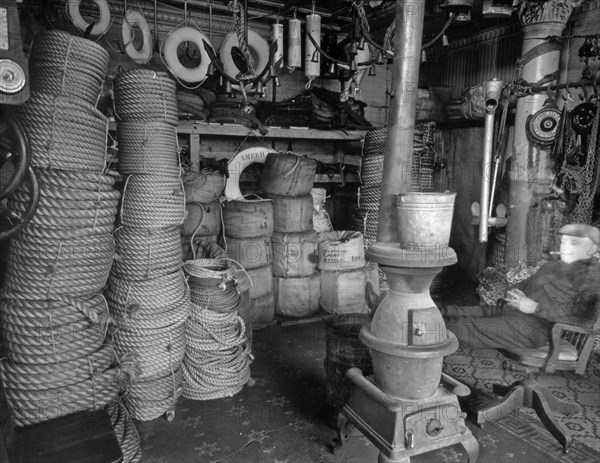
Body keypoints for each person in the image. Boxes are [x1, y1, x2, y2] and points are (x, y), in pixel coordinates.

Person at [443, 223, 600, 350]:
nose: (565, 248)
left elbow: (583, 321)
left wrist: (536, 308)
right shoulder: (552, 266)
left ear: (592, 249)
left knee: (457, 328)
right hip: (509, 312)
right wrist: (513, 294)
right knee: (447, 312)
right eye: (564, 242)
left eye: (574, 243)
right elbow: (523, 285)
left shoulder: (593, 277)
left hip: (536, 328)